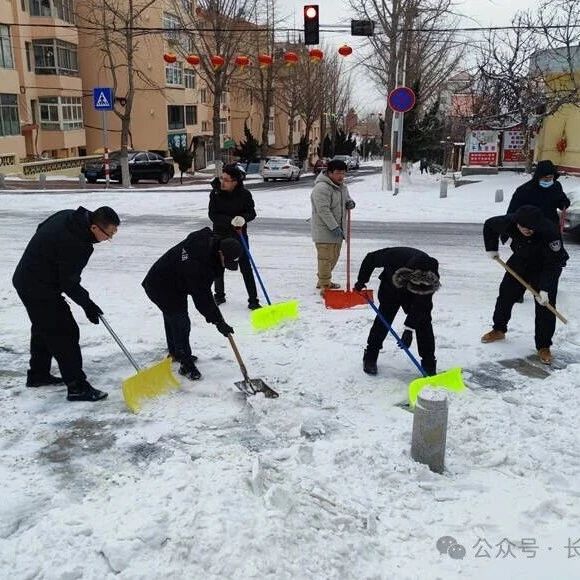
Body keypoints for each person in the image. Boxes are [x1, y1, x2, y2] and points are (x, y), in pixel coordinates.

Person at [12, 206, 120, 402]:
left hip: (29, 277)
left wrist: (46, 259)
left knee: (44, 326)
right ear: (95, 228)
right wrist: (88, 304)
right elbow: (69, 282)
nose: (109, 239)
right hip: (37, 286)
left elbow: (41, 227)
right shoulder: (77, 244)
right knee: (64, 331)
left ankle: (38, 374)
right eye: (109, 234)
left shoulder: (69, 215)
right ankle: (77, 386)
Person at [142, 227, 241, 380]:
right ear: (220, 253)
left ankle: (175, 352)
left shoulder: (212, 243)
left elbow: (204, 290)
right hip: (160, 285)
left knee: (173, 317)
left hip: (176, 282)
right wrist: (218, 322)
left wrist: (218, 320)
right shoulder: (197, 264)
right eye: (226, 262)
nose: (225, 266)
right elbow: (203, 299)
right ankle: (185, 363)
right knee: (180, 321)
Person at [481, 205, 569, 364]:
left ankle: (543, 346)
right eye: (524, 228)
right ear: (517, 223)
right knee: (505, 295)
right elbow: (489, 225)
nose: (529, 231)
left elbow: (555, 263)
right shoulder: (509, 221)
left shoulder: (549, 231)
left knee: (545, 306)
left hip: (544, 267)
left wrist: (545, 289)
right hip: (520, 260)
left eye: (532, 228)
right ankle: (499, 329)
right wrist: (491, 249)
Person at [354, 247, 441, 376]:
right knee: (383, 320)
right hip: (391, 289)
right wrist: (361, 280)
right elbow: (370, 258)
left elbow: (422, 305)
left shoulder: (430, 275)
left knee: (424, 322)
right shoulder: (393, 255)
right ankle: (370, 355)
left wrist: (409, 329)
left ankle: (429, 364)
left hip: (415, 297)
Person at [208, 163, 260, 310]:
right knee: (218, 265)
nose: (222, 182)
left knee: (246, 267)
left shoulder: (245, 195)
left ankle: (253, 300)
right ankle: (219, 295)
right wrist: (230, 221)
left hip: (239, 235)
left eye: (226, 179)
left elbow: (252, 213)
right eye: (221, 178)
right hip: (220, 234)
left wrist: (243, 219)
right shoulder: (215, 193)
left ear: (235, 182)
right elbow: (213, 215)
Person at [310, 158, 355, 294]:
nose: (341, 176)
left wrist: (350, 203)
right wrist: (333, 226)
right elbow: (323, 210)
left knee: (333, 258)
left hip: (338, 229)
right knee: (325, 259)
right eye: (338, 173)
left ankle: (324, 280)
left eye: (343, 173)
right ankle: (325, 285)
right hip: (325, 230)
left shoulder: (342, 187)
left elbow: (346, 199)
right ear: (329, 173)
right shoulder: (321, 188)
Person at [506, 159, 570, 225]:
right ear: (538, 176)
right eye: (545, 178)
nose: (548, 180)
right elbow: (511, 213)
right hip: (531, 228)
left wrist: (564, 203)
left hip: (551, 225)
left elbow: (562, 201)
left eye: (550, 177)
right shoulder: (524, 190)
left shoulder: (556, 186)